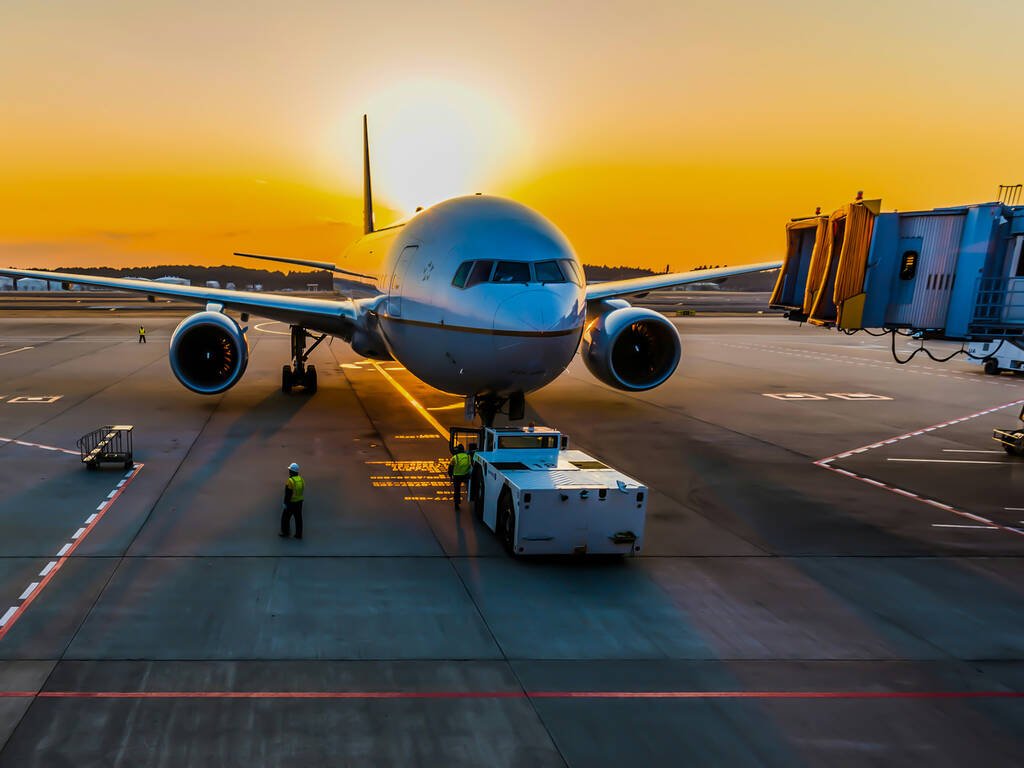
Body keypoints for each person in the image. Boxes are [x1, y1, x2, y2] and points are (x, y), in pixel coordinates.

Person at [280, 462, 305, 539]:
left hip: (291, 503)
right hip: (299, 502)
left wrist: (285, 503)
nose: (289, 472)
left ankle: (285, 532)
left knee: (285, 518)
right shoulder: (301, 479)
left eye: (290, 470)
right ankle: (298, 534)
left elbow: (288, 493)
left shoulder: (290, 481)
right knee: (298, 518)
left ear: (292, 471)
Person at [448, 443, 472, 508]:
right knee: (468, 486)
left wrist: (450, 476)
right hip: (465, 475)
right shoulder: (468, 457)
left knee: (457, 490)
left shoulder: (455, 457)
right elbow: (470, 465)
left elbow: (450, 468)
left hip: (457, 476)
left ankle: (457, 503)